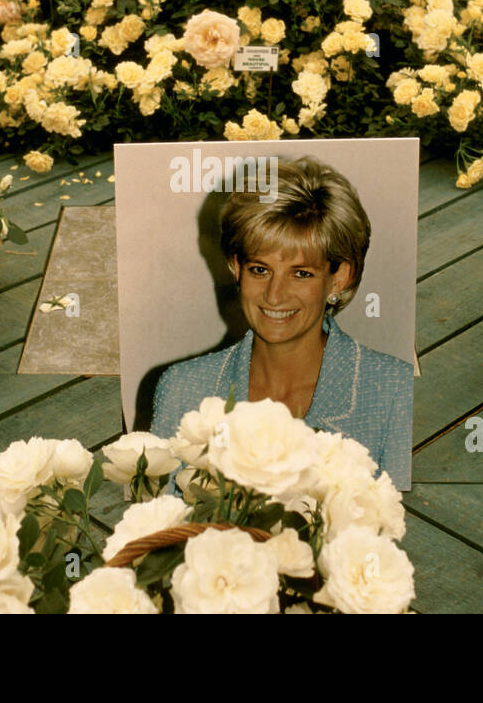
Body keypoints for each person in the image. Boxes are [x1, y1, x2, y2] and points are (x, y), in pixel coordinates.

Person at [150, 155, 413, 490]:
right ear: (236, 267)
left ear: (339, 278)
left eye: (301, 274)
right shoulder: (183, 390)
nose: (274, 296)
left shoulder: (393, 392)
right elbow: (156, 533)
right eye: (260, 270)